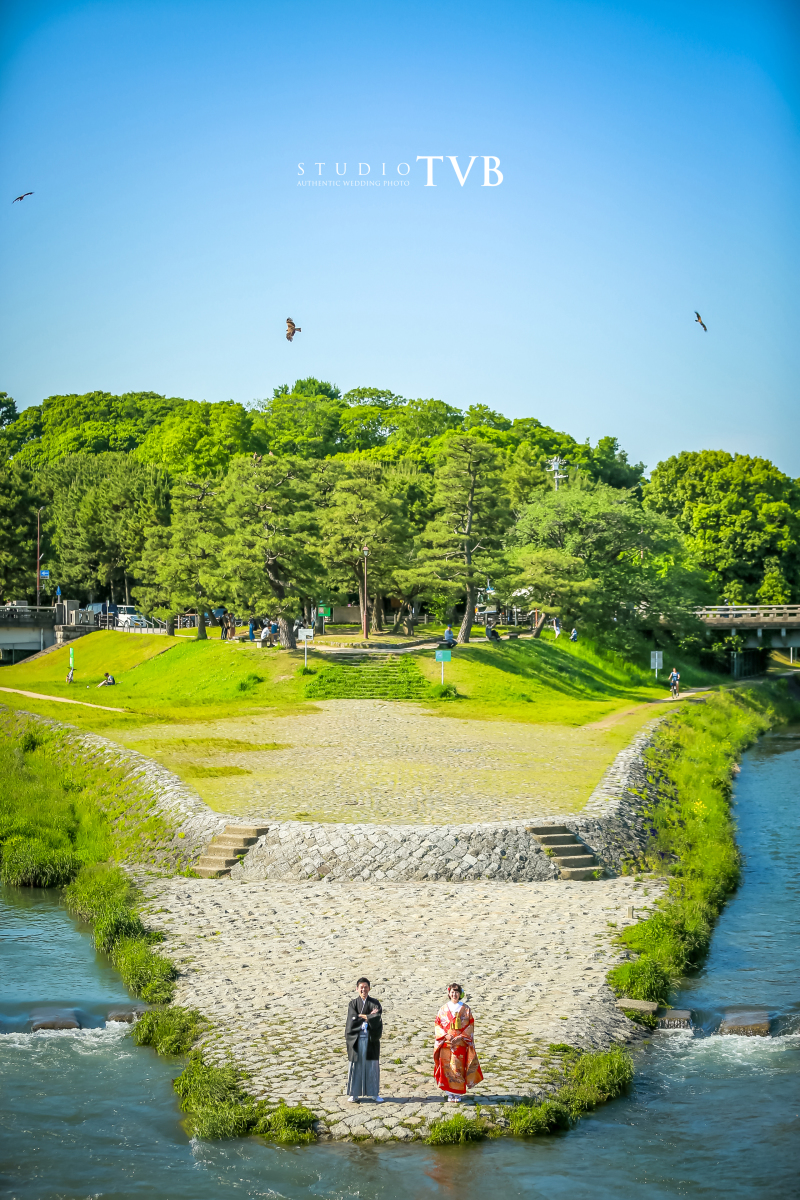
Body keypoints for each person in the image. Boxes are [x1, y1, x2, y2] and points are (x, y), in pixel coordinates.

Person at [434, 984, 483, 1102]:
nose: (454, 994)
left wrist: (461, 1037)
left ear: (460, 994)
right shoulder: (443, 1009)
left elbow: (470, 1025)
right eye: (452, 992)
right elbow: (438, 1024)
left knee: (458, 1068)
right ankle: (449, 1093)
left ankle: (457, 1093)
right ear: (449, 993)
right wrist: (445, 1035)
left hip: (460, 1043)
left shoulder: (466, 1009)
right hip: (446, 1043)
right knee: (447, 1067)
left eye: (456, 992)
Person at [345, 977, 384, 1103]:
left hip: (370, 1039)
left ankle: (374, 1094)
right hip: (356, 1039)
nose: (363, 989)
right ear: (357, 989)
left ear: (369, 988)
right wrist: (368, 1016)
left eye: (366, 987)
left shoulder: (375, 1003)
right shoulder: (353, 1004)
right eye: (361, 987)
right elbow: (352, 1019)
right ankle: (354, 1094)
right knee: (355, 1066)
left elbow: (377, 1016)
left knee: (372, 1066)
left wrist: (363, 1016)